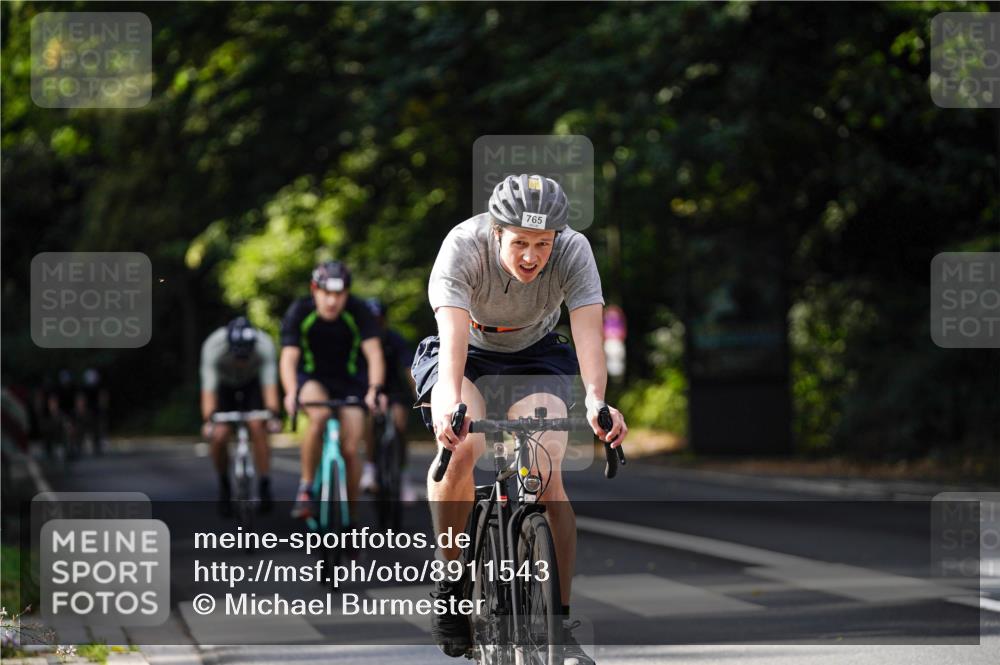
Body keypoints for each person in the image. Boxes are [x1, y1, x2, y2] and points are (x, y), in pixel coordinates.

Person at [412, 174, 628, 664]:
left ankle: (559, 623)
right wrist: (449, 405)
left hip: (536, 353)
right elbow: (451, 344)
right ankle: (450, 581)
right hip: (468, 352)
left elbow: (588, 333)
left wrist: (597, 401)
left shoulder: (573, 250)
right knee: (462, 448)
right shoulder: (463, 247)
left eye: (542, 244)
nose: (531, 256)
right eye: (520, 243)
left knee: (547, 470)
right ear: (496, 233)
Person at [280, 260, 387, 523]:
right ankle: (306, 488)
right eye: (326, 293)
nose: (332, 301)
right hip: (313, 379)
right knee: (318, 417)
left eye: (339, 294)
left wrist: (374, 389)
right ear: (314, 290)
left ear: (347, 293)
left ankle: (351, 517)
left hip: (350, 382)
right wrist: (291, 392)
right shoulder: (300, 311)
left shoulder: (358, 311)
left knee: (351, 449)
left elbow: (374, 354)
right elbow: (289, 358)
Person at [200, 316, 281, 516]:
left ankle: (264, 484)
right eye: (238, 356)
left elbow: (269, 387)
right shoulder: (213, 346)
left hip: (252, 384)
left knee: (258, 425)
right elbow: (208, 391)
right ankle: (224, 484)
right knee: (219, 434)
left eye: (246, 357)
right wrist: (209, 420)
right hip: (223, 385)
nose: (242, 362)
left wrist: (273, 415)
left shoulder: (264, 346)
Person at [361, 297, 418, 503]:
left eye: (378, 320)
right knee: (369, 421)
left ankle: (403, 476)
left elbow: (409, 368)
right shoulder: (358, 339)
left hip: (394, 390)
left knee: (399, 424)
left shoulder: (395, 339)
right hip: (367, 390)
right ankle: (370, 468)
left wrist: (419, 393)